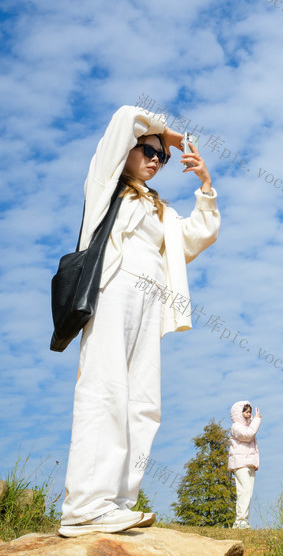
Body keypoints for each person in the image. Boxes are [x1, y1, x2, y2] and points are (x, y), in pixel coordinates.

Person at [59, 105, 220, 537]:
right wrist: (167, 133)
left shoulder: (160, 209)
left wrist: (205, 185)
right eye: (147, 150)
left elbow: (196, 237)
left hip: (151, 304)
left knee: (143, 403)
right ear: (127, 150)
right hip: (112, 293)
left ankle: (115, 502)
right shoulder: (104, 185)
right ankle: (85, 505)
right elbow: (125, 116)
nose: (156, 159)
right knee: (104, 389)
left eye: (161, 157)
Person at [228, 401, 261, 529]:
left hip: (250, 463)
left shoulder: (250, 426)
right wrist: (257, 421)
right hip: (240, 463)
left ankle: (242, 521)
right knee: (245, 490)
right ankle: (240, 520)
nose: (248, 414)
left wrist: (255, 420)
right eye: (246, 412)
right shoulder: (236, 426)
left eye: (250, 412)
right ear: (239, 413)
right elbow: (248, 436)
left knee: (248, 492)